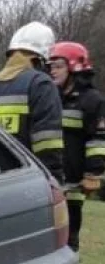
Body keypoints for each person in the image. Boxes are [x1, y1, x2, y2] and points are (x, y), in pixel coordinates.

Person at [0, 22, 64, 186]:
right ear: (40, 59)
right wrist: (54, 181)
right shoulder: (41, 84)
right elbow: (48, 143)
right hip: (27, 186)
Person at [49, 41, 105, 251]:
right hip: (50, 178)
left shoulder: (92, 101)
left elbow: (97, 139)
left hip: (74, 183)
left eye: (58, 65)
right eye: (50, 66)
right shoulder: (49, 97)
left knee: (68, 237)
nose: (52, 71)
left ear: (75, 67)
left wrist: (93, 172)